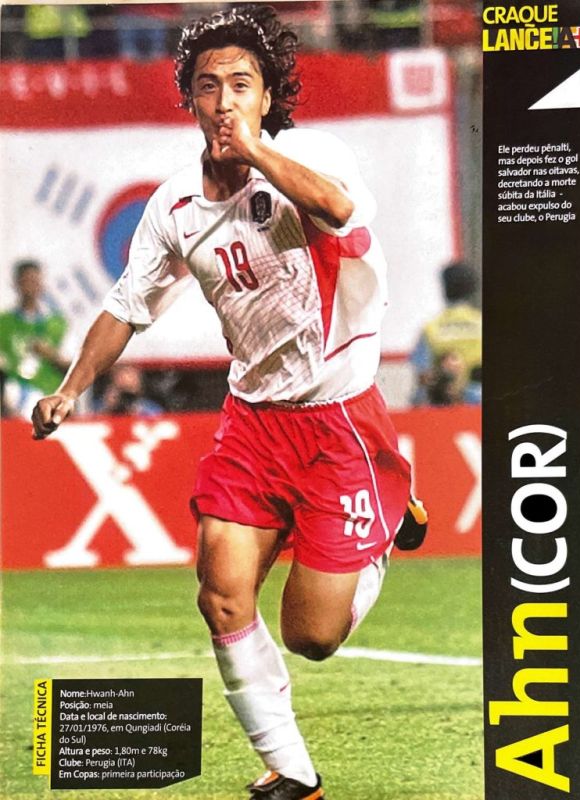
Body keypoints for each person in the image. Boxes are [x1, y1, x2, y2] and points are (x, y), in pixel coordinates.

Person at [32, 6, 422, 797]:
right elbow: (127, 305)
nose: (223, 101)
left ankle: (387, 511)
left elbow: (340, 211)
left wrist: (256, 150)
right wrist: (71, 389)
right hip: (252, 425)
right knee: (220, 594)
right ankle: (291, 770)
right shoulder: (175, 206)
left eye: (241, 85)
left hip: (338, 421)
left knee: (312, 636)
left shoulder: (310, 155)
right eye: (207, 86)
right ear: (189, 99)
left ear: (267, 95)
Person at [1, 259, 69, 418]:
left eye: (35, 281)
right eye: (26, 281)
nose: (31, 286)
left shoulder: (57, 323)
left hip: (51, 397)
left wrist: (51, 354)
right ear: (17, 284)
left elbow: (73, 366)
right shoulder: (4, 323)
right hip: (12, 399)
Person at [410, 260, 482, 405]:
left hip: (442, 407)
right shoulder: (480, 324)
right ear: (473, 288)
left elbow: (423, 375)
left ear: (444, 288)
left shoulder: (431, 328)